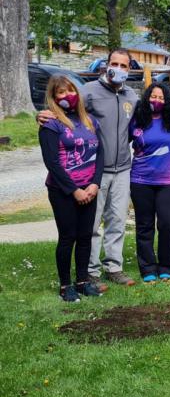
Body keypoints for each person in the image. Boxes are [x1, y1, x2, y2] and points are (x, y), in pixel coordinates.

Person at [37, 48, 139, 288]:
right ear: (106, 65)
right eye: (115, 63)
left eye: (124, 65)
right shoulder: (87, 92)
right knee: (91, 225)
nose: (119, 69)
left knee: (117, 221)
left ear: (129, 68)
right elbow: (62, 108)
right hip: (96, 170)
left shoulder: (132, 96)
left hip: (123, 167)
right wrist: (41, 116)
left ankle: (114, 267)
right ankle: (89, 272)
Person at [38, 76, 104, 302]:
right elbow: (52, 162)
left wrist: (95, 183)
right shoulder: (51, 124)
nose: (68, 96)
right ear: (54, 97)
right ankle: (66, 286)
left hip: (90, 188)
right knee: (68, 237)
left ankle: (83, 281)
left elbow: (100, 154)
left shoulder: (90, 121)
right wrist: (74, 190)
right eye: (61, 93)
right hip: (63, 190)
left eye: (71, 91)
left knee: (85, 236)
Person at [129, 83, 170, 283]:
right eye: (153, 96)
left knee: (167, 224)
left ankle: (165, 266)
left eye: (161, 98)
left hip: (168, 181)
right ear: (146, 98)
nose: (156, 101)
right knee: (144, 225)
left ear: (166, 101)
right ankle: (148, 267)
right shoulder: (137, 121)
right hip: (140, 180)